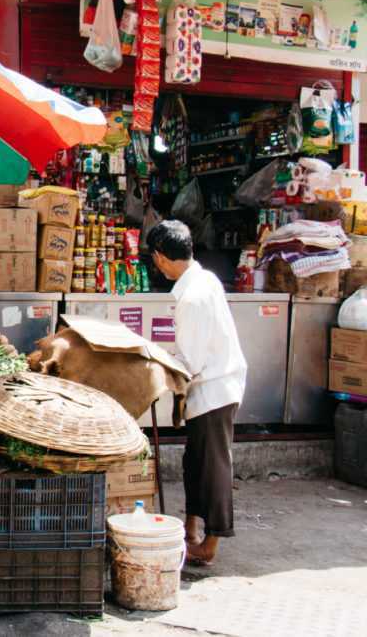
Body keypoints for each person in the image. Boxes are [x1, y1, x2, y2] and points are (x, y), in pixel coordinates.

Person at [147, 220, 247, 566]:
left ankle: (212, 542)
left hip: (214, 390)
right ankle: (190, 526)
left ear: (160, 257)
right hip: (216, 385)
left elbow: (191, 362)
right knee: (195, 462)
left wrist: (155, 367)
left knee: (214, 465)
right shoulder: (206, 280)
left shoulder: (192, 296)